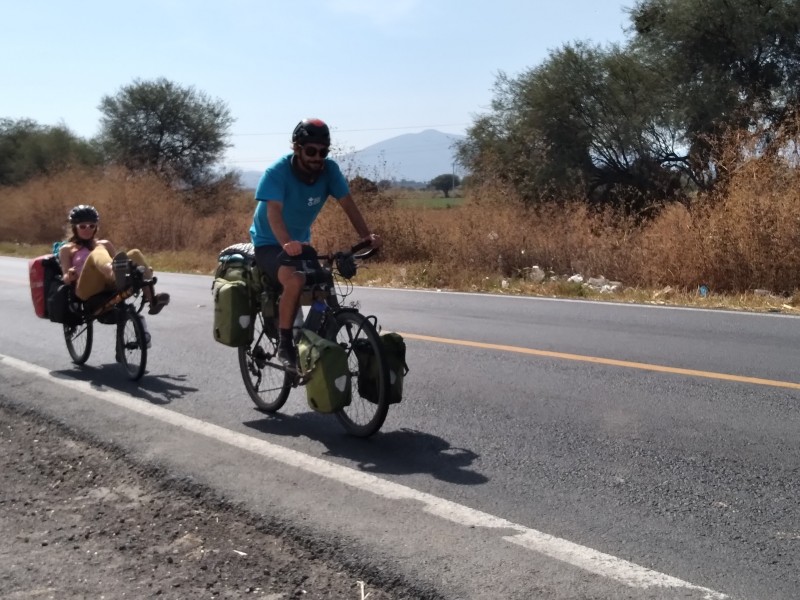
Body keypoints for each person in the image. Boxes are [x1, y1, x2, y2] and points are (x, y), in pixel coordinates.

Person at [250, 118, 382, 371]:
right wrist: (286, 242)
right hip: (269, 242)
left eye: (323, 152)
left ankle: (313, 339)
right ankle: (285, 345)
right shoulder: (277, 172)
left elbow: (348, 205)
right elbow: (273, 212)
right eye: (311, 151)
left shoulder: (329, 171)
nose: (317, 157)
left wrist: (367, 237)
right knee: (295, 280)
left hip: (300, 243)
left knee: (324, 278)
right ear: (297, 148)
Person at [58, 204, 170, 315]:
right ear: (74, 228)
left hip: (108, 284)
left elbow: (119, 262)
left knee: (134, 253)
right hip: (85, 289)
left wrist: (143, 269)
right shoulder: (67, 249)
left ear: (95, 227)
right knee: (97, 251)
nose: (87, 229)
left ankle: (152, 300)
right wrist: (70, 276)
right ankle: (113, 272)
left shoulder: (105, 244)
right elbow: (65, 278)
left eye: (91, 226)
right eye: (82, 226)